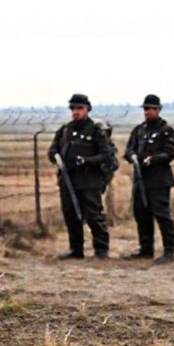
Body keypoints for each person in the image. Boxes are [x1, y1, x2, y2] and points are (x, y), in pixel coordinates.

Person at [48, 94, 112, 259]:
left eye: (79, 108)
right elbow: (52, 150)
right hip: (68, 180)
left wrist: (86, 161)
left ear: (87, 109)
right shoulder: (65, 130)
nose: (75, 112)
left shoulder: (95, 131)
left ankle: (101, 249)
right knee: (71, 215)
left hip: (89, 180)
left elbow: (105, 155)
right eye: (73, 108)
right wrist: (56, 157)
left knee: (93, 215)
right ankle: (76, 250)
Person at [124, 94, 174, 264]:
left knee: (162, 215)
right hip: (141, 179)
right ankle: (146, 249)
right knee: (141, 214)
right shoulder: (139, 130)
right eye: (145, 109)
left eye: (151, 109)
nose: (147, 112)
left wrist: (153, 159)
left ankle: (169, 251)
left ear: (158, 109)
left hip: (159, 179)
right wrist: (131, 156)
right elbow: (128, 150)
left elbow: (170, 152)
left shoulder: (165, 130)